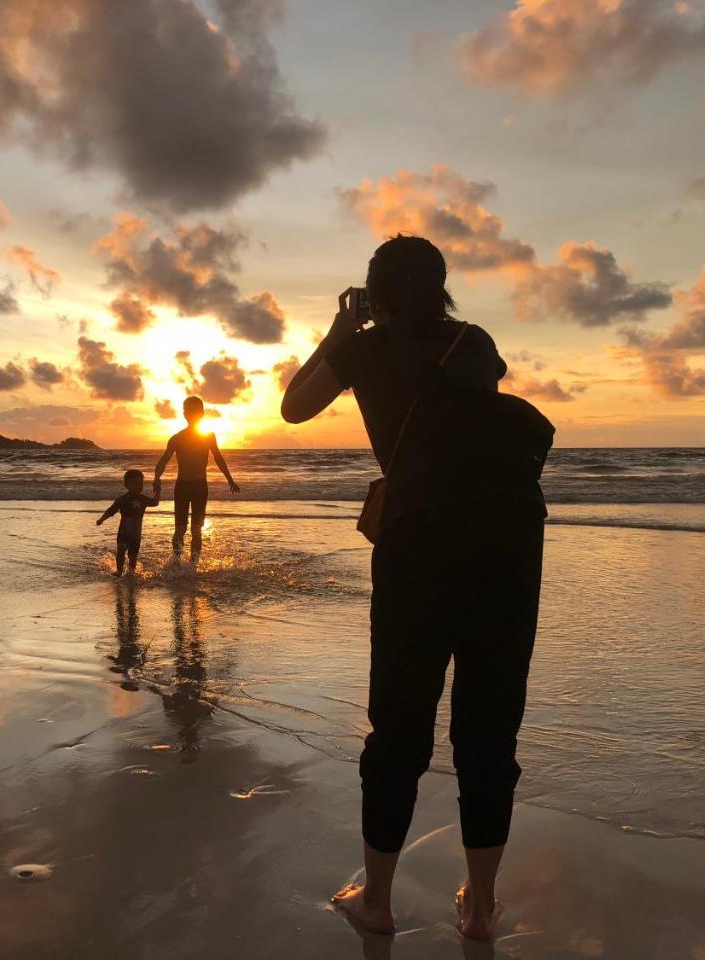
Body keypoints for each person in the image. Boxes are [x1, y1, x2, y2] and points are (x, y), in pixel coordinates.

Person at [280, 235, 551, 943]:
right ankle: (482, 910)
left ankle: (378, 902)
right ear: (441, 284)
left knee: (398, 728)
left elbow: (293, 407)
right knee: (490, 731)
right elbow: (482, 392)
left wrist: (343, 329)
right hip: (509, 543)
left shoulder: (365, 348)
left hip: (419, 545)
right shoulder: (473, 340)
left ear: (374, 291)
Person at [153, 397, 240, 564]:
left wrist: (230, 479)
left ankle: (193, 565)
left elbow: (219, 459)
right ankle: (177, 561)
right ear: (184, 414)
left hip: (200, 487)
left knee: (196, 530)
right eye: (189, 412)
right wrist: (156, 478)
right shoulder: (177, 438)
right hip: (182, 486)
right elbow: (162, 461)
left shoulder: (208, 436)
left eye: (195, 412)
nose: (192, 415)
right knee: (180, 528)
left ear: (201, 414)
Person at [96, 469, 159, 576]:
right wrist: (102, 519)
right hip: (123, 532)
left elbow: (155, 502)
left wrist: (157, 491)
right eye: (135, 484)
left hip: (136, 534)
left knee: (133, 556)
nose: (138, 486)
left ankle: (131, 572)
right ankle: (119, 570)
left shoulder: (143, 499)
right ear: (126, 485)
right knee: (121, 549)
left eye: (140, 484)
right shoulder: (122, 499)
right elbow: (111, 510)